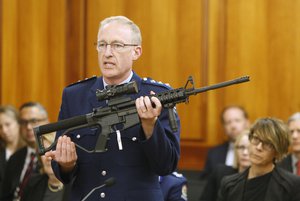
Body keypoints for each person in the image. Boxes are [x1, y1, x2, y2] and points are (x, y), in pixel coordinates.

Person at [45, 16, 181, 201]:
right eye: (102, 44)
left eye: (117, 45)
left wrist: (150, 126)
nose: (107, 53)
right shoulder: (75, 95)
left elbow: (166, 166)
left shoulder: (157, 96)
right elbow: (62, 171)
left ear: (136, 52)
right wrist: (66, 165)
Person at [218, 117, 300, 201]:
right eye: (256, 139)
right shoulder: (229, 184)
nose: (258, 147)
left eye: (267, 143)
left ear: (277, 151)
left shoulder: (292, 185)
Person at [0, 102, 49, 201]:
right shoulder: (15, 157)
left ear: (47, 122)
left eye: (34, 121)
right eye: (23, 122)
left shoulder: (54, 154)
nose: (28, 127)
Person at [200, 130, 251, 201]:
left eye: (250, 148)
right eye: (242, 147)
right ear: (236, 150)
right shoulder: (220, 173)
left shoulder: (260, 180)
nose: (245, 153)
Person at [201, 106, 250, 178]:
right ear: (224, 127)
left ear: (247, 123)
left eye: (237, 120)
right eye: (228, 122)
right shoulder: (214, 153)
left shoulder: (257, 150)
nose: (233, 126)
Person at [20, 133, 70, 201]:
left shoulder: (76, 185)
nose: (49, 158)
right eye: (45, 152)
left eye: (53, 150)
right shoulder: (33, 183)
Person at [0, 106, 25, 193]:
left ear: (18, 123)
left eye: (8, 124)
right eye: (0, 127)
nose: (4, 130)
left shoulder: (30, 150)